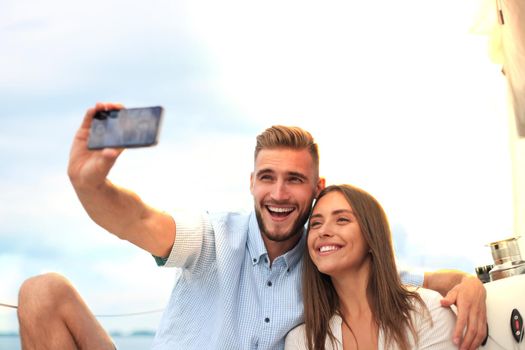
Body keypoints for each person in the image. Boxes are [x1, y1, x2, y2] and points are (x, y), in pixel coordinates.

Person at [17, 103, 487, 350]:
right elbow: (136, 219)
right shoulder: (210, 238)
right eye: (268, 178)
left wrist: (470, 284)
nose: (279, 194)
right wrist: (89, 183)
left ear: (315, 186)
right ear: (252, 183)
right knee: (42, 291)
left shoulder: (328, 260)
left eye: (295, 180)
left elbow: (407, 278)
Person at [285, 184, 458, 350]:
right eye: (315, 223)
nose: (323, 231)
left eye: (342, 220)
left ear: (371, 236)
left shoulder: (427, 312)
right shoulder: (302, 340)